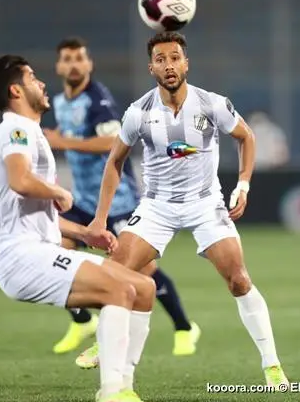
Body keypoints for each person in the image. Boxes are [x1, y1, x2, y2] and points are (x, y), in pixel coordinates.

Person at [82, 31, 290, 389]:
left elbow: (246, 137)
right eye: (161, 60)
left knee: (238, 279)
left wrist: (243, 184)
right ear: (152, 68)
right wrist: (100, 219)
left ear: (186, 63)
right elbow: (114, 162)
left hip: (205, 203)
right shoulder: (138, 113)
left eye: (175, 57)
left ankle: (272, 365)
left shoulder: (212, 104)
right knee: (113, 277)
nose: (169, 65)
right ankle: (107, 344)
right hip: (157, 207)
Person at [0, 54, 159, 402]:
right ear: (16, 90)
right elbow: (19, 180)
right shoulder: (14, 129)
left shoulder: (26, 131)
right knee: (118, 290)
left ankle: (123, 388)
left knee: (142, 288)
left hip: (37, 248)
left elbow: (34, 214)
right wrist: (59, 194)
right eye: (32, 78)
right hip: (22, 258)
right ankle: (111, 393)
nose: (42, 83)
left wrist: (84, 232)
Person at [42, 36, 200, 359]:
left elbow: (110, 142)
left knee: (144, 270)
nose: (73, 64)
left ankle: (184, 327)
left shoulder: (97, 100)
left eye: (79, 58)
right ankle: (82, 319)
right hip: (85, 200)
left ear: (89, 64)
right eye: (67, 59)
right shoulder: (59, 101)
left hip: (120, 201)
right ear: (59, 66)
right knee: (49, 249)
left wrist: (64, 142)